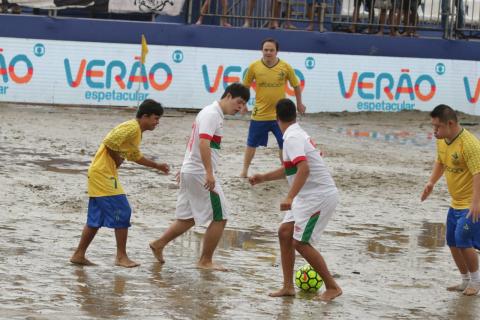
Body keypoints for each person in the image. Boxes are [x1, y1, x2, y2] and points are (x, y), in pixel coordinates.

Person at [149, 83, 250, 270]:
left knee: (188, 217)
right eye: (239, 102)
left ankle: (159, 244)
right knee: (221, 216)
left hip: (192, 170)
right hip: (199, 173)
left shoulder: (210, 113)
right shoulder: (212, 114)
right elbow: (203, 143)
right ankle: (205, 260)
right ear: (228, 96)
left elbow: (193, 141)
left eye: (243, 105)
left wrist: (184, 166)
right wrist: (209, 174)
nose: (240, 108)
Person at [249, 99, 342, 301]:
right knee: (284, 232)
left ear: (276, 117)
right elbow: (291, 169)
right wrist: (263, 177)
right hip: (306, 195)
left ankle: (332, 286)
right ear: (295, 115)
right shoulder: (295, 133)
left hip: (319, 196)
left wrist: (290, 196)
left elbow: (304, 169)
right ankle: (288, 287)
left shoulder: (292, 137)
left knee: (300, 243)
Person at [70, 99, 170, 268]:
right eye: (155, 118)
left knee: (96, 219)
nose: (157, 122)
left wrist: (156, 166)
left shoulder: (136, 131)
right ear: (145, 116)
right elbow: (110, 141)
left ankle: (79, 254)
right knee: (123, 211)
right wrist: (117, 160)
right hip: (104, 175)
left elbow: (134, 156)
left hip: (100, 173)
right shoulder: (132, 127)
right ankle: (121, 256)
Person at [421, 104, 480, 296]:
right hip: (455, 202)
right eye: (433, 126)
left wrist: (476, 202)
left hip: (471, 203)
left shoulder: (469, 144)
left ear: (451, 123)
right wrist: (431, 182)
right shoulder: (442, 140)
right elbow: (441, 161)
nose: (434, 130)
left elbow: (478, 173)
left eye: (437, 127)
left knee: (463, 240)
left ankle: (476, 281)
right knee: (452, 241)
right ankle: (464, 280)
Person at [240, 38, 306, 178]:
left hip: (280, 115)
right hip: (260, 113)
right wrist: (243, 103)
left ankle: (285, 170)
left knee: (285, 144)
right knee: (251, 143)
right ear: (261, 50)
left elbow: (296, 85)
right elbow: (245, 85)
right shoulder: (254, 66)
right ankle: (244, 170)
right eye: (266, 50)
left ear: (277, 51)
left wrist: (299, 103)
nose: (268, 52)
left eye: (271, 50)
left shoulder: (285, 67)